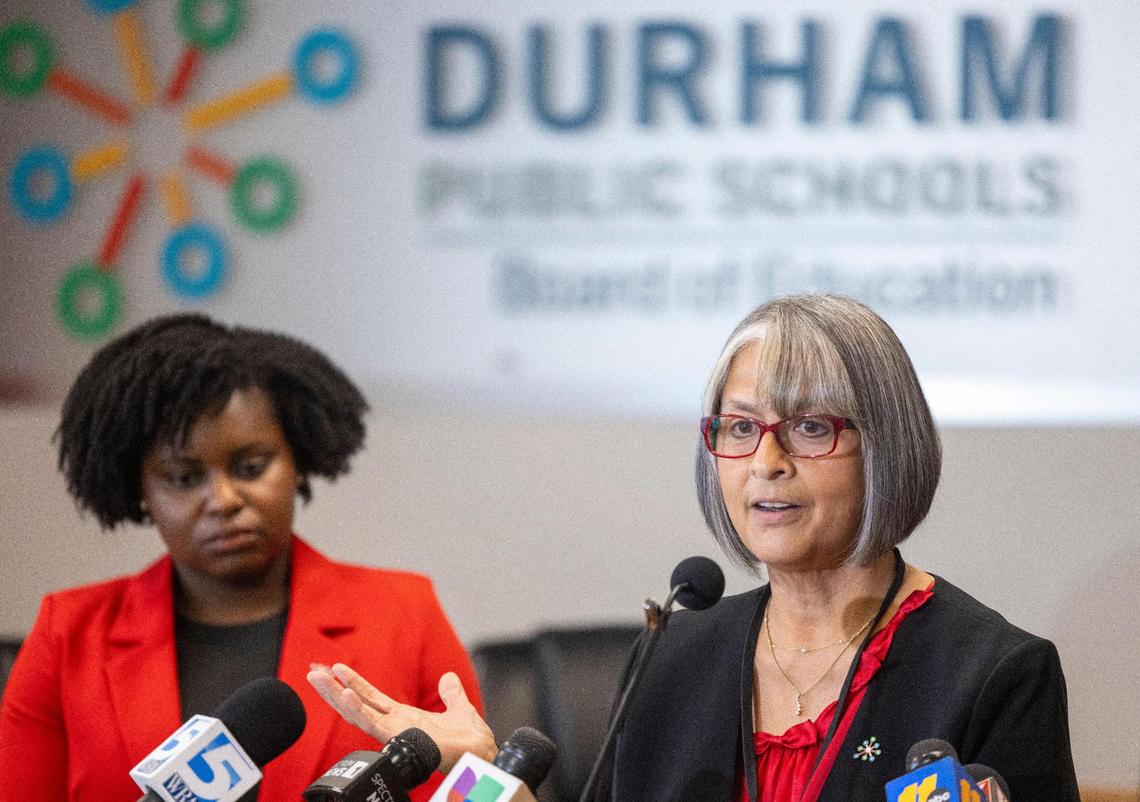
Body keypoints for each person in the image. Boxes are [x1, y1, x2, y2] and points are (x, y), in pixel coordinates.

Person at [309, 294, 1079, 802]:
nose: (766, 462)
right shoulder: (674, 656)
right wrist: (487, 778)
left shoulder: (995, 674)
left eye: (810, 427)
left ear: (888, 446)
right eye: (740, 428)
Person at [0, 314, 485, 802]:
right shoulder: (66, 635)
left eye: (251, 467)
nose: (224, 499)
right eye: (184, 478)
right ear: (140, 490)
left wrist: (480, 776)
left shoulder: (405, 612)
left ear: (297, 460)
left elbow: (470, 790)